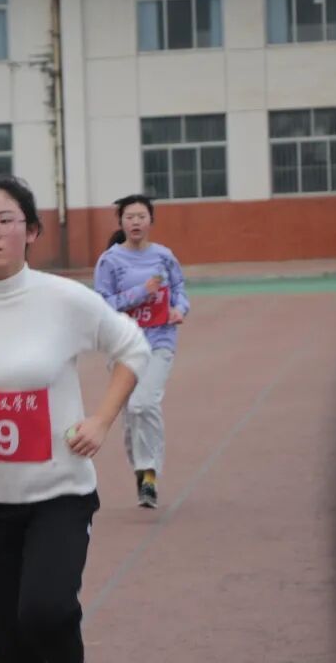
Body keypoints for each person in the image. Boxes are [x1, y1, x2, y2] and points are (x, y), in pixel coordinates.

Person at [0, 174, 150, 663]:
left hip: (57, 495)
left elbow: (132, 348)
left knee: (47, 611)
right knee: (8, 642)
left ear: (32, 231)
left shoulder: (63, 299)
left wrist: (102, 420)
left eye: (5, 220)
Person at [93, 194, 190, 509]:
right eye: (129, 217)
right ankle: (142, 470)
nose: (135, 222)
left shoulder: (164, 256)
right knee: (132, 412)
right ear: (121, 222)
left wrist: (179, 309)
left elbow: (179, 289)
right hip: (124, 344)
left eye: (141, 216)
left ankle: (149, 474)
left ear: (151, 221)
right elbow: (102, 305)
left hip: (160, 340)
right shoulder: (110, 261)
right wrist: (140, 293)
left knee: (143, 403)